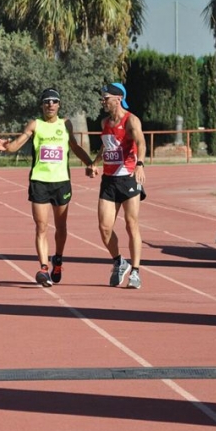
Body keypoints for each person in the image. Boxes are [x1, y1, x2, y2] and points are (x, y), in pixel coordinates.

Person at [0, 88, 95, 287]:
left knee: (61, 227)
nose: (50, 104)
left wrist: (90, 162)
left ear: (59, 104)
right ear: (41, 105)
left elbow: (74, 147)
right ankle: (43, 268)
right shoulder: (35, 124)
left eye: (54, 101)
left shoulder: (65, 124)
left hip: (61, 181)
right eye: (47, 101)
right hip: (39, 181)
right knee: (41, 227)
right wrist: (6, 146)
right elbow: (17, 144)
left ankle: (58, 258)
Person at [90, 83, 146, 289]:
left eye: (106, 98)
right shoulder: (104, 122)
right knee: (104, 228)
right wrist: (95, 163)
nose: (103, 102)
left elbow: (141, 142)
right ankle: (119, 262)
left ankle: (136, 272)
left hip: (128, 178)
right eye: (102, 98)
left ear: (118, 98)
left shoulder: (131, 120)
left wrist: (140, 164)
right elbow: (107, 145)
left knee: (131, 224)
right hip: (109, 180)